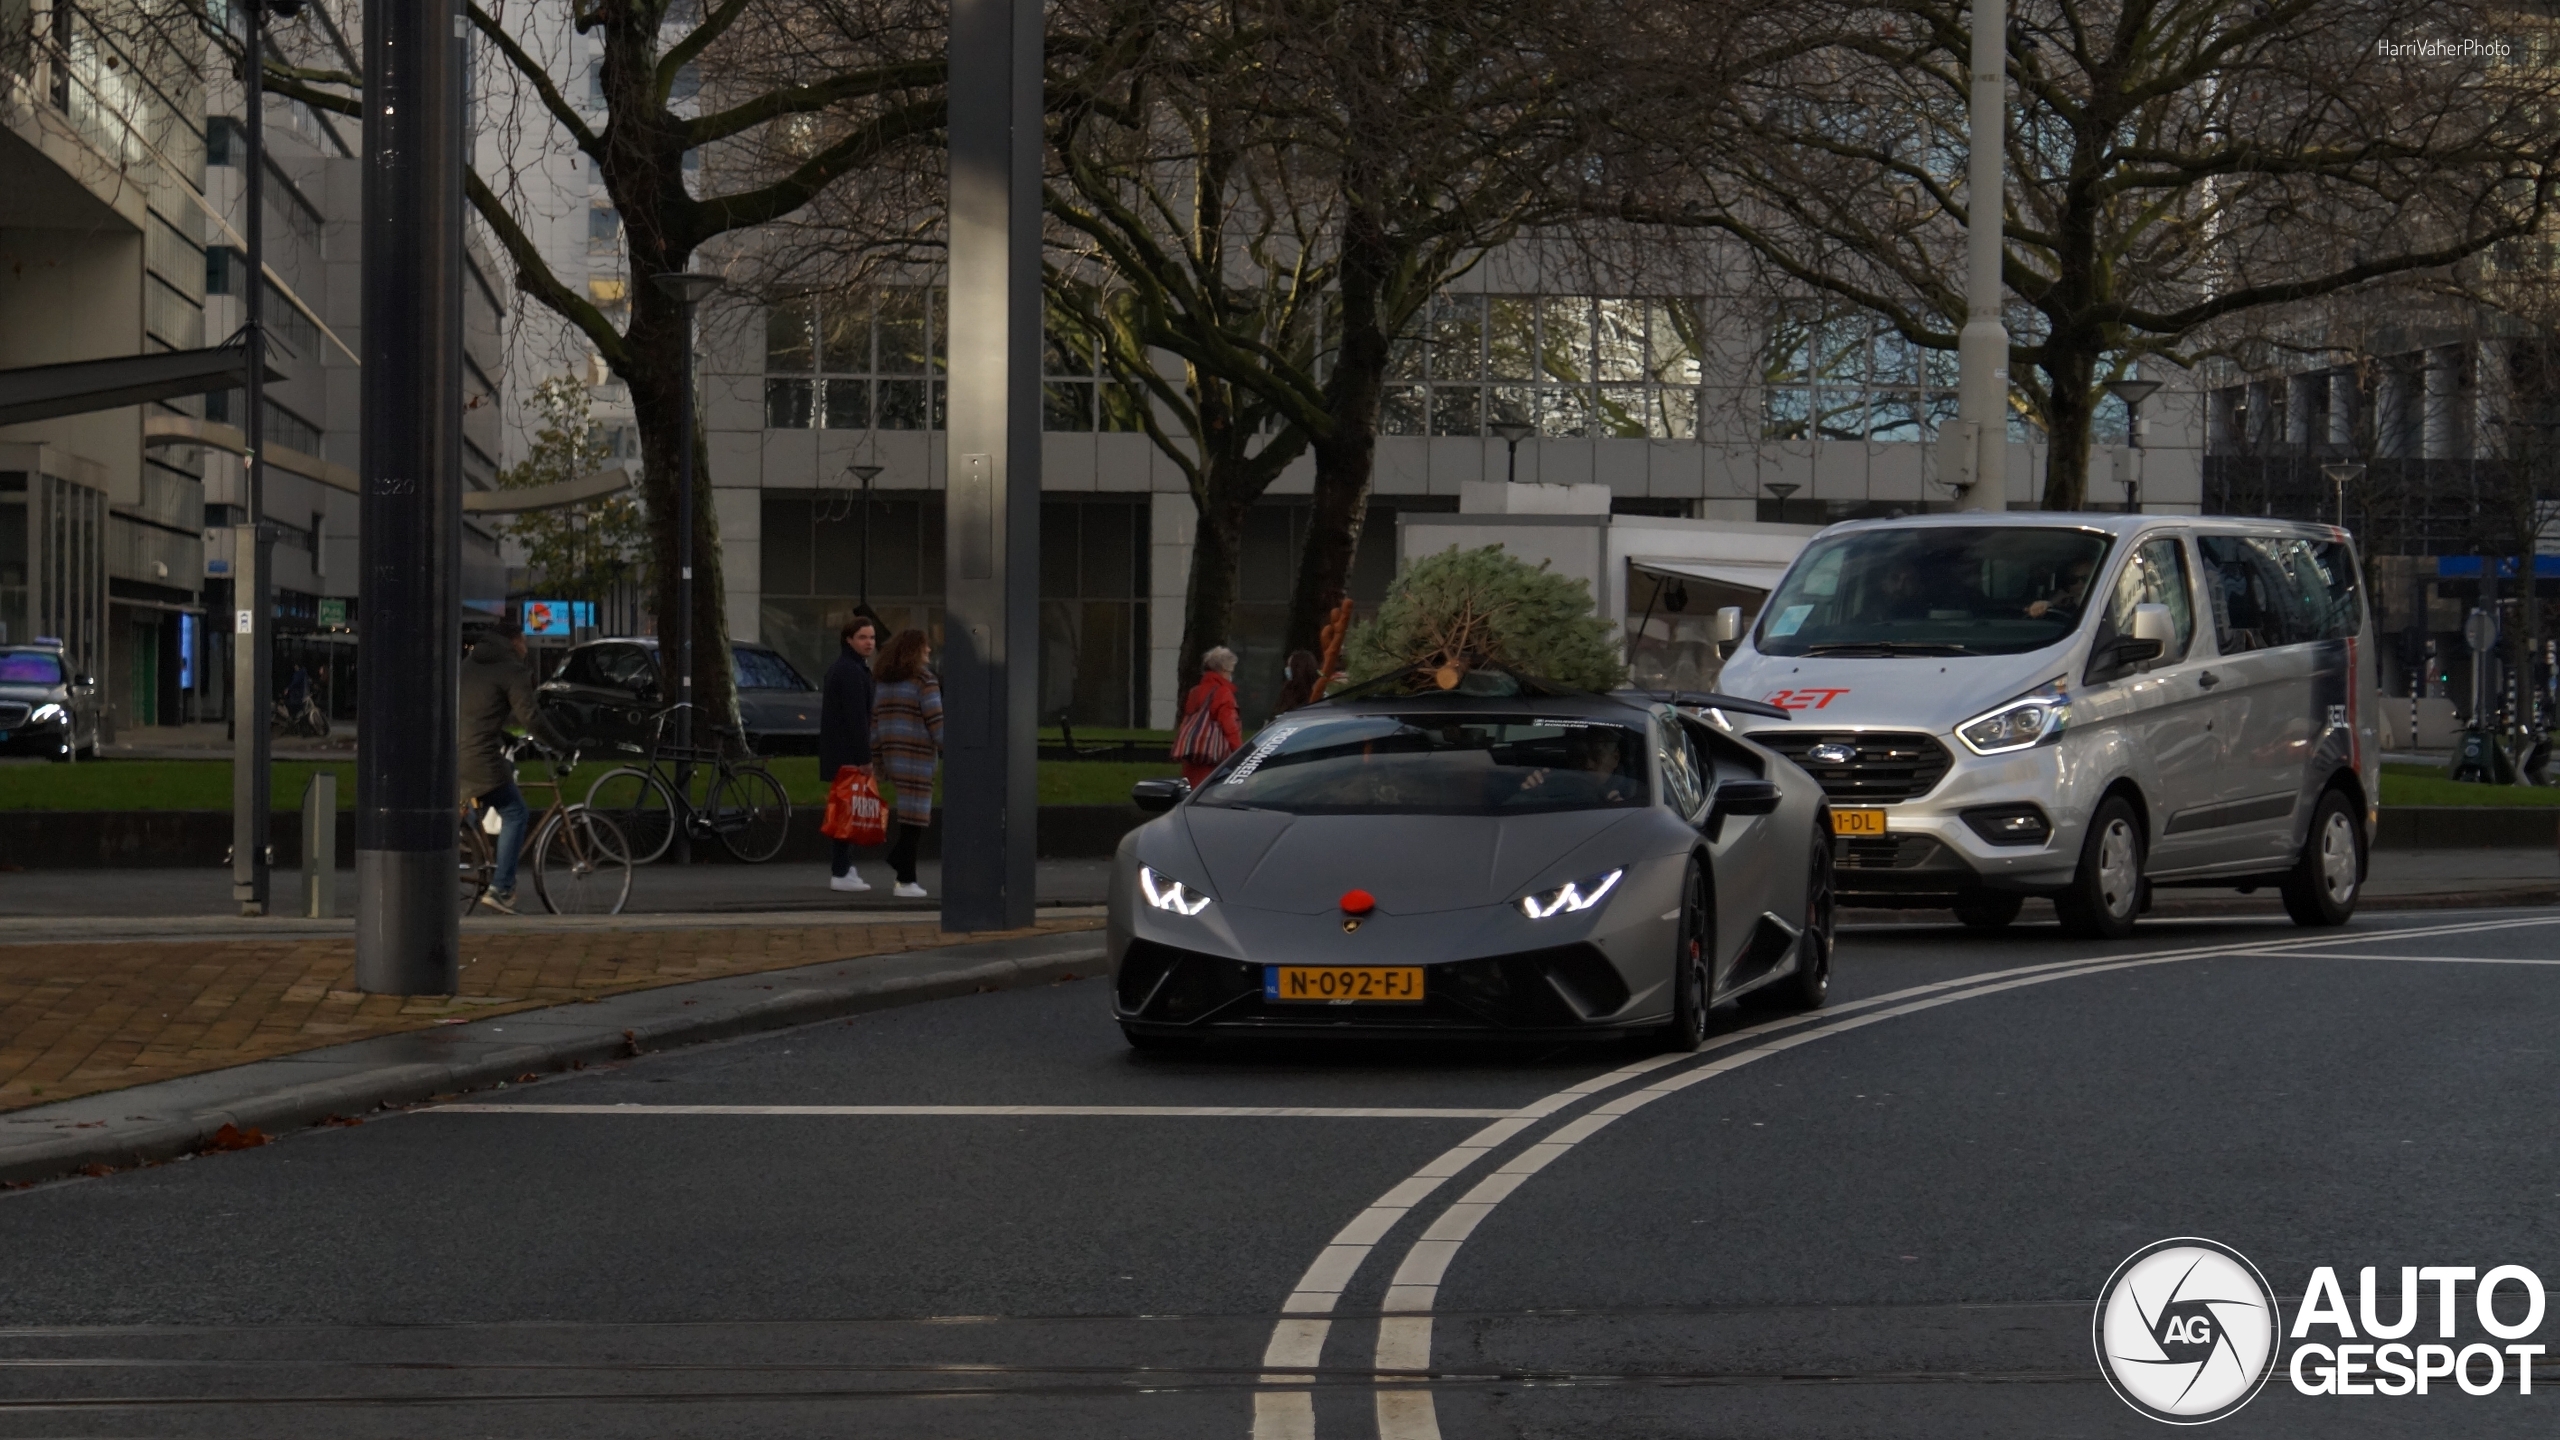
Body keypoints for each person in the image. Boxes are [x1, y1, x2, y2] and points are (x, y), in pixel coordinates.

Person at [457, 618, 547, 913]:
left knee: (478, 799)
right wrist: (562, 744)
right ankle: (502, 888)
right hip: (479, 757)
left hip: (454, 754)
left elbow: (477, 712)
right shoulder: (512, 670)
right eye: (524, 642)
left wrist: (504, 736)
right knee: (515, 812)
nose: (526, 648)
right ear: (515, 641)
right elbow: (531, 717)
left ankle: (470, 832)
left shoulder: (469, 664)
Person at [870, 628, 945, 898]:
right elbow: (936, 723)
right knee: (915, 819)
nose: (929, 651)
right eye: (926, 647)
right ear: (916, 650)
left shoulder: (884, 681)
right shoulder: (924, 681)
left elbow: (874, 725)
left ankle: (903, 870)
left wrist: (878, 759)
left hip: (893, 754)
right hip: (917, 754)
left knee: (909, 816)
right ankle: (905, 878)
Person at [819, 615, 879, 893]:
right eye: (863, 637)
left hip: (839, 751)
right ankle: (841, 870)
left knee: (847, 808)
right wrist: (864, 758)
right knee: (847, 811)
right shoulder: (851, 672)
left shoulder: (845, 668)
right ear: (849, 640)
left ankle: (845, 867)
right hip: (847, 754)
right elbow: (857, 719)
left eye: (872, 637)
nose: (869, 643)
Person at [1175, 646, 1243, 788]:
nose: (1231, 675)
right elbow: (1230, 727)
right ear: (1223, 670)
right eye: (1230, 671)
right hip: (1213, 759)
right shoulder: (1223, 693)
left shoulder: (1194, 691)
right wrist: (1240, 753)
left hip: (1194, 755)